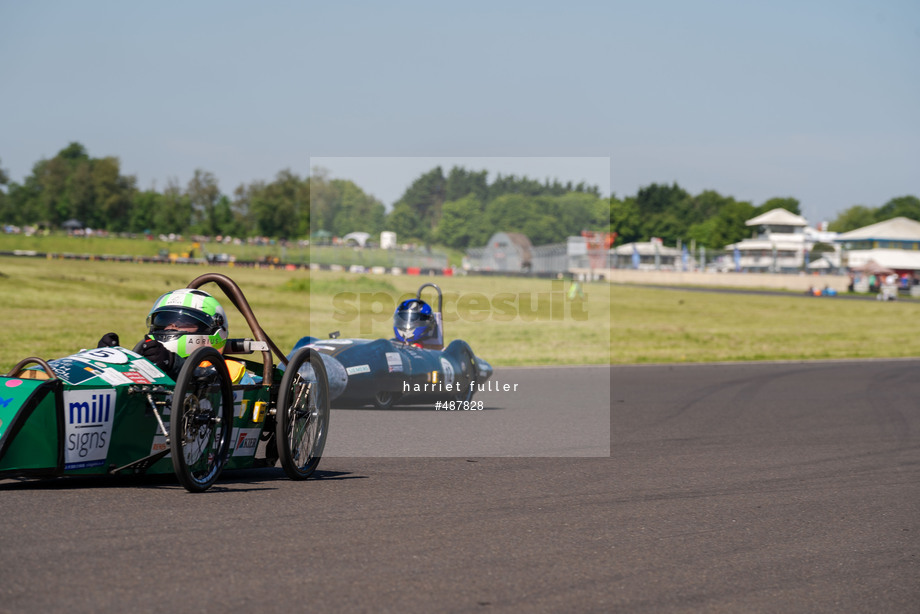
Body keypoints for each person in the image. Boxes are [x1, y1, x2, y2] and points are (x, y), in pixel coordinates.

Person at [98, 288, 254, 383]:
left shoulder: (230, 373)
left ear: (212, 330)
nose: (171, 327)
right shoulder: (155, 359)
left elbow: (210, 382)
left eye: (182, 323)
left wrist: (174, 364)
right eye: (165, 321)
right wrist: (111, 361)